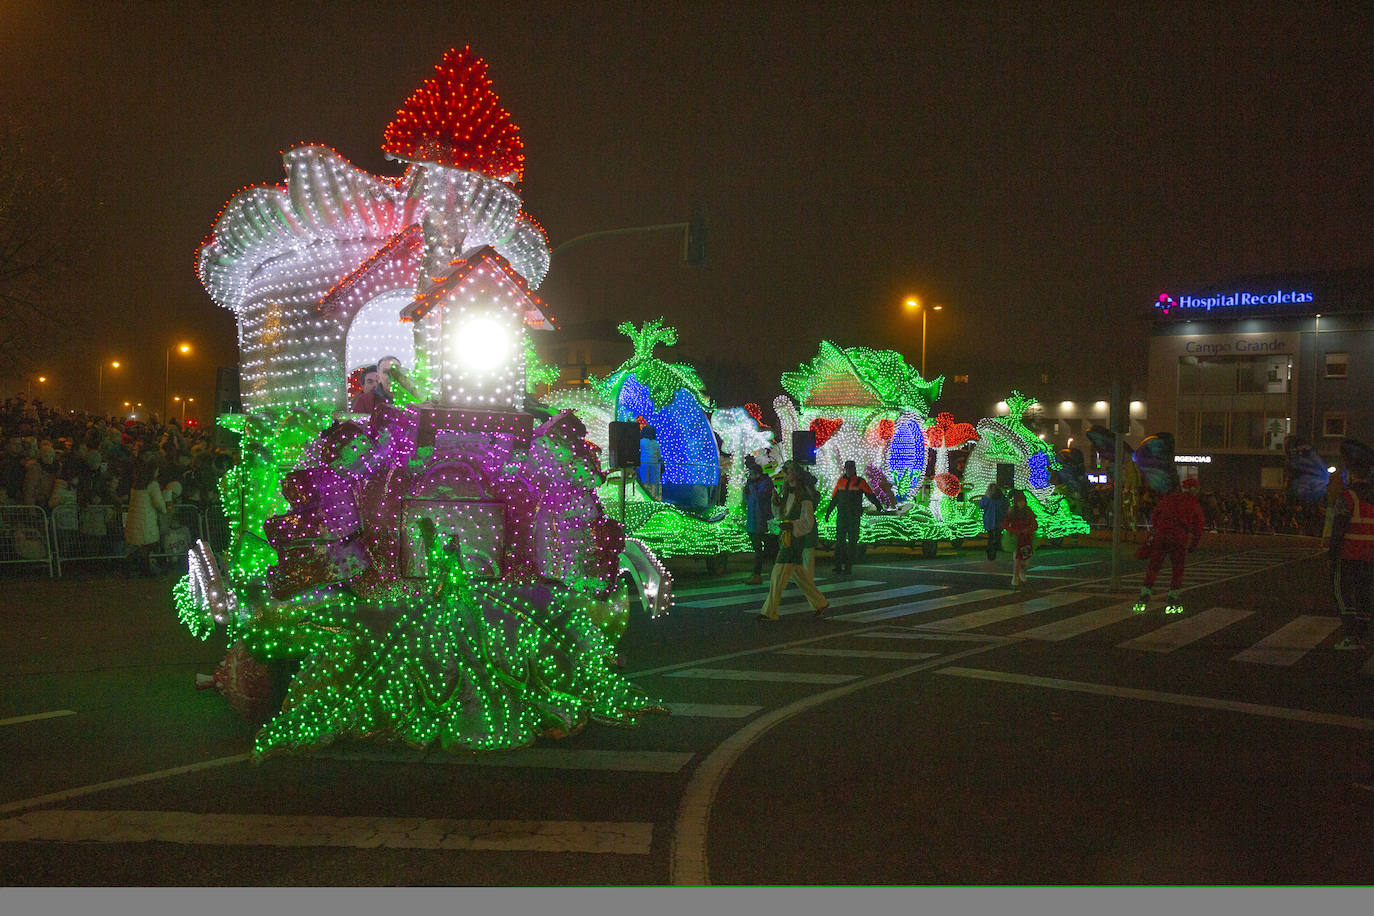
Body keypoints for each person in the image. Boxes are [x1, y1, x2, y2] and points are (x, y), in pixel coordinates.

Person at [758, 461, 830, 621]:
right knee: (799, 575)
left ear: (796, 474)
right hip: (785, 538)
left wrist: (791, 525)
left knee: (778, 574)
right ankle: (820, 602)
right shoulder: (786, 494)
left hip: (793, 541)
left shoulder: (804, 496)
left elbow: (807, 522)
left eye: (788, 471)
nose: (786, 474)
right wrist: (775, 502)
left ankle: (769, 612)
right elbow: (780, 516)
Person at [1133, 477, 1205, 614]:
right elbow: (1198, 527)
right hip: (1179, 536)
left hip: (1161, 534)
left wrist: (1158, 528)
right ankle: (1173, 597)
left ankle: (1145, 594)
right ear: (1195, 490)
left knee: (1154, 565)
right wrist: (1193, 545)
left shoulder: (1169, 498)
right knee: (1177, 567)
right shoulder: (1194, 504)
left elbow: (1155, 514)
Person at [1330, 443, 1374, 650]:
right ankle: (1364, 635)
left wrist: (1332, 553)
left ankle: (1350, 635)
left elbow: (1339, 527)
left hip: (1348, 553)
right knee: (1365, 591)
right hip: (1370, 555)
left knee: (1343, 592)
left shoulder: (1348, 497)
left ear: (1352, 475)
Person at [824, 459, 881, 577]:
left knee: (852, 543)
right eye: (847, 469)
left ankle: (848, 567)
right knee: (839, 542)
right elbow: (834, 499)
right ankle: (838, 566)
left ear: (854, 469)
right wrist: (828, 512)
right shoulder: (841, 482)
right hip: (842, 516)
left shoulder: (860, 482)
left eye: (850, 469)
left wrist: (878, 505)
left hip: (854, 516)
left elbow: (870, 495)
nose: (849, 471)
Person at [124, 452, 167, 576]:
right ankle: (146, 569)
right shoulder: (152, 485)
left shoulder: (136, 484)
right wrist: (165, 508)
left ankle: (137, 568)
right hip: (146, 520)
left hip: (134, 519)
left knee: (138, 545)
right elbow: (158, 502)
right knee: (148, 545)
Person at [743, 455, 778, 585]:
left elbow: (759, 498)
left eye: (751, 474)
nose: (750, 477)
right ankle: (758, 573)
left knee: (762, 550)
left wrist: (751, 487)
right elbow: (749, 500)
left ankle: (758, 574)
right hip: (753, 520)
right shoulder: (754, 484)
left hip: (762, 521)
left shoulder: (765, 483)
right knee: (759, 549)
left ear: (757, 474)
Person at [1002, 489, 1038, 589]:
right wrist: (1013, 531)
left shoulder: (1028, 511)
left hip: (1027, 537)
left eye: (1023, 501)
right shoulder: (1012, 511)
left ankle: (1022, 572)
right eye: (1019, 501)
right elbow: (1005, 524)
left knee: (1026, 558)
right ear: (1016, 502)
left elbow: (1035, 524)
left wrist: (1028, 529)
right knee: (1017, 558)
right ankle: (1015, 577)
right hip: (1016, 538)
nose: (1021, 503)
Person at [979, 482, 1010, 561]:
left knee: (990, 536)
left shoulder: (986, 497)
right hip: (999, 519)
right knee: (998, 534)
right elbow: (1006, 506)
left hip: (989, 520)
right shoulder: (1002, 497)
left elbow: (981, 506)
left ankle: (990, 551)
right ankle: (996, 547)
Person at [638, 425, 662, 501]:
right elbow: (659, 456)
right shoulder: (656, 443)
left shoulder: (641, 441)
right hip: (655, 464)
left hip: (644, 463)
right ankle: (655, 499)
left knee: (645, 482)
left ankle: (646, 499)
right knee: (654, 484)